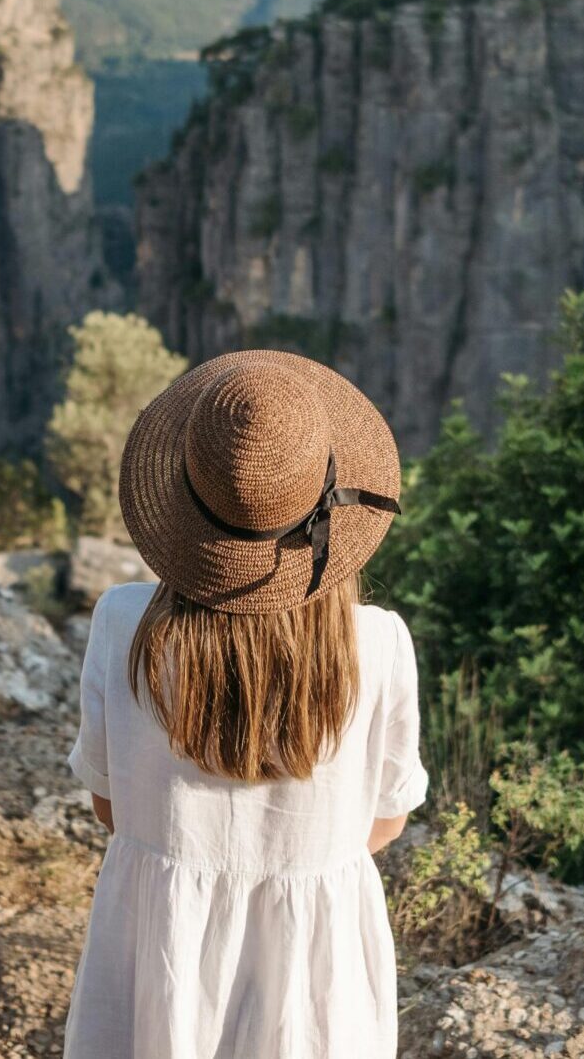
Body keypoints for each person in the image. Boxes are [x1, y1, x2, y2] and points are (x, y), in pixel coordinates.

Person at [63, 348, 427, 1058]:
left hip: (158, 956)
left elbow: (112, 808)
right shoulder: (378, 642)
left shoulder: (120, 623)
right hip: (317, 980)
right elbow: (385, 821)